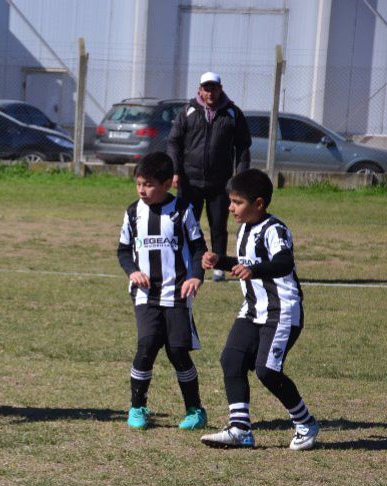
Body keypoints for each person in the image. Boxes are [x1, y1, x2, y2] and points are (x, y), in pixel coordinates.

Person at [200, 169, 319, 450]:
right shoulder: (244, 229)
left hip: (281, 312)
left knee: (266, 370)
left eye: (237, 202)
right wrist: (220, 261)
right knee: (231, 359)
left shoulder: (274, 229)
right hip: (253, 310)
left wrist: (252, 269)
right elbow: (245, 263)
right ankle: (241, 429)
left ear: (259, 204)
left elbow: (283, 262)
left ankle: (306, 423)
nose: (230, 208)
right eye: (230, 201)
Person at [117, 151, 207, 430]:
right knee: (146, 346)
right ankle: (137, 407)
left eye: (149, 184)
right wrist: (133, 271)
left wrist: (196, 276)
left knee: (178, 351)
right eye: (139, 184)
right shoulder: (133, 212)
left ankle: (195, 410)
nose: (142, 190)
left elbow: (198, 247)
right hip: (145, 295)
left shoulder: (182, 210)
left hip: (177, 294)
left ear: (168, 184)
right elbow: (122, 250)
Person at [167, 71, 251, 282]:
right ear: (200, 90)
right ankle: (187, 261)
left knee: (218, 225)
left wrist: (240, 179)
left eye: (214, 88)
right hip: (190, 181)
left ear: (220, 89)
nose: (210, 92)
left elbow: (243, 147)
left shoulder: (232, 113)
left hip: (220, 182)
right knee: (187, 223)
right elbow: (174, 142)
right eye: (206, 88)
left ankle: (219, 267)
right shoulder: (187, 111)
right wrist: (175, 170)